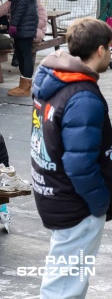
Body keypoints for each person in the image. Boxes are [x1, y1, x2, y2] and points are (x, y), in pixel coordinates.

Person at [31, 18, 112, 298]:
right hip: (76, 202)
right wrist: (100, 202)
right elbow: (79, 163)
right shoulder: (83, 97)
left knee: (66, 275)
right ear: (100, 50)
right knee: (65, 285)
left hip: (52, 191)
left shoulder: (52, 81)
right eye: (111, 49)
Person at [5, 0, 40, 97]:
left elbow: (24, 2)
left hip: (25, 19)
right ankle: (23, 85)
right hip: (26, 18)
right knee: (21, 52)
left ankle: (25, 87)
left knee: (24, 53)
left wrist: (14, 23)